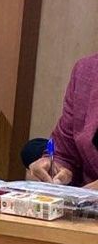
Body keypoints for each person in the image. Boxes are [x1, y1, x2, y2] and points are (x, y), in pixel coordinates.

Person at [25, 53, 98, 188]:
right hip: (84, 195)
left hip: (87, 194)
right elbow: (63, 150)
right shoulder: (86, 70)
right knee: (31, 150)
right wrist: (55, 165)